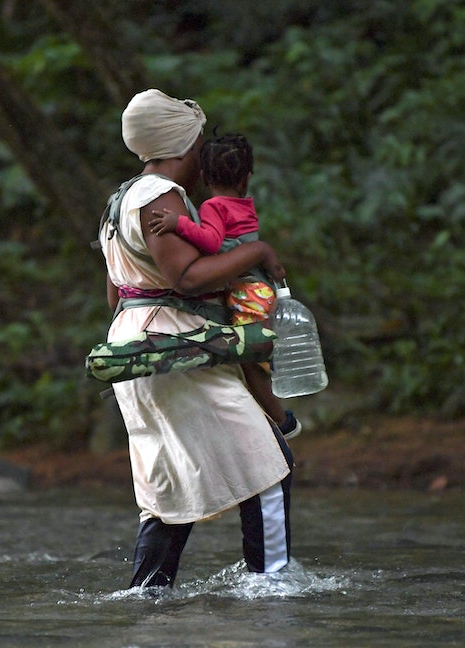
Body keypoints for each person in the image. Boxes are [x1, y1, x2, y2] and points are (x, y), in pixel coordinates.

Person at [98, 88, 295, 588]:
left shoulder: (118, 201)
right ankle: (271, 588)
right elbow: (187, 277)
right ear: (182, 147)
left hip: (134, 346)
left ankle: (148, 595)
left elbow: (116, 291)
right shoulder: (159, 196)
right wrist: (257, 253)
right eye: (199, 145)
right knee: (269, 463)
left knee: (167, 485)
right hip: (176, 351)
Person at [147, 131, 301, 439]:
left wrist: (179, 224)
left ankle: (282, 421)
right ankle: (273, 413)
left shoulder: (213, 207)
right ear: (246, 179)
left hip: (246, 292)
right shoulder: (244, 204)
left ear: (203, 176)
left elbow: (213, 241)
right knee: (253, 352)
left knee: (248, 356)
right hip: (259, 289)